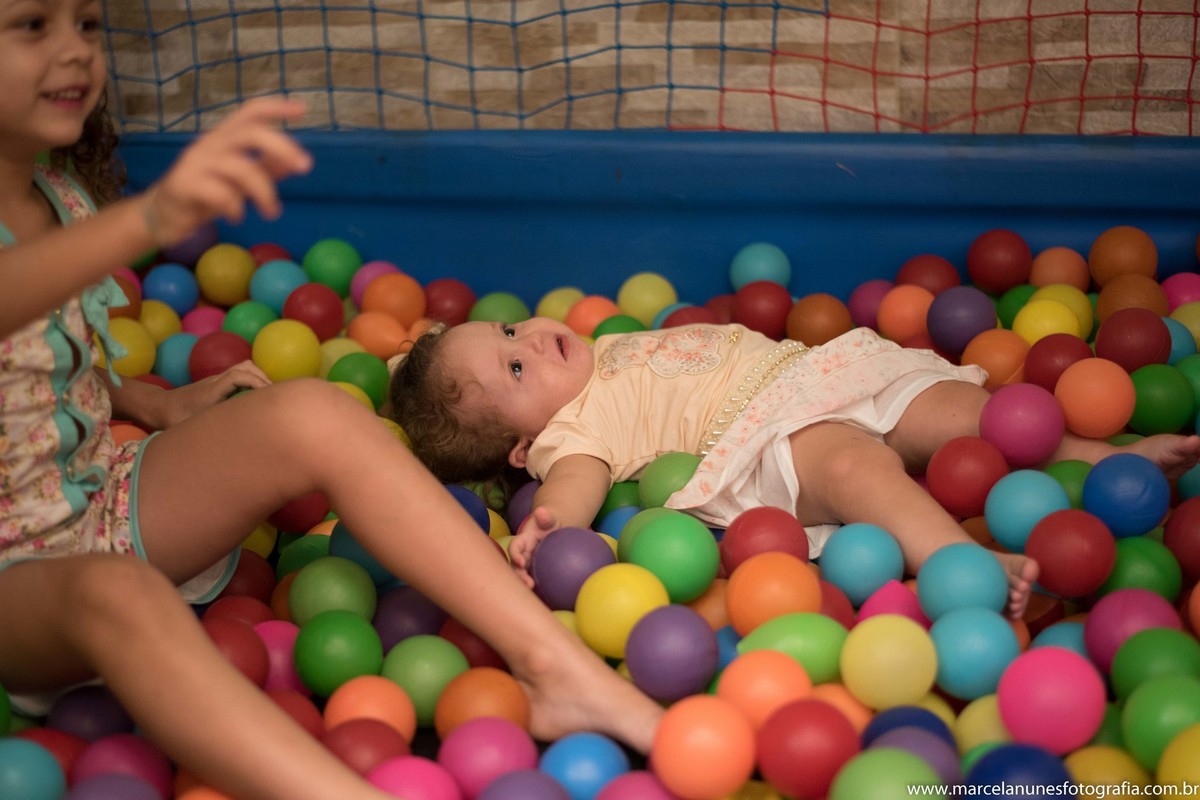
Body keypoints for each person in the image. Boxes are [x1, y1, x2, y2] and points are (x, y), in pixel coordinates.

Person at [0, 4, 662, 799]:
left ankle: (557, 667)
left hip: (96, 497)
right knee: (117, 591)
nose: (74, 50)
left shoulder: (51, 188)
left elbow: (42, 350)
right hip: (17, 584)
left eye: (89, 23)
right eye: (33, 25)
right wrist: (150, 217)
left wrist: (150, 400)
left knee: (317, 409)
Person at [388, 317, 1200, 619]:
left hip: (822, 374)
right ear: (523, 449)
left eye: (504, 330)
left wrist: (419, 351)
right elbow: (578, 484)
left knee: (972, 416)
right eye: (514, 373)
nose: (527, 343)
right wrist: (550, 522)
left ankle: (1114, 460)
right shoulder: (571, 430)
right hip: (762, 438)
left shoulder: (600, 346)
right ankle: (959, 562)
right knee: (859, 468)